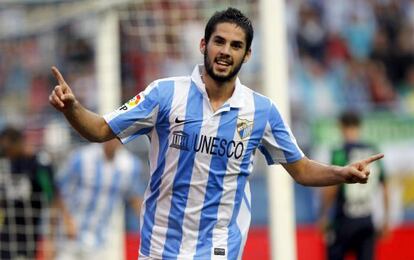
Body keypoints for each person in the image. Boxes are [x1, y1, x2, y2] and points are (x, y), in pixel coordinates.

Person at [49, 7, 384, 260]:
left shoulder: (261, 111)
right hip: (159, 248)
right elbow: (100, 130)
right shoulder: (165, 94)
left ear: (247, 54)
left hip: (218, 250)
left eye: (236, 45)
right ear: (203, 44)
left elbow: (300, 168)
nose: (226, 51)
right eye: (219, 41)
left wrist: (341, 173)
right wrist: (72, 108)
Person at [47, 139, 145, 260]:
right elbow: (59, 191)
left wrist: (147, 228)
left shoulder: (129, 165)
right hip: (71, 236)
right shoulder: (81, 158)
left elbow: (135, 199)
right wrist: (66, 221)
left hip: (103, 240)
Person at [318, 111, 389, 260]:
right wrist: (386, 219)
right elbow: (386, 186)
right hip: (367, 220)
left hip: (343, 221)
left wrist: (323, 215)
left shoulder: (340, 152)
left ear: (341, 127)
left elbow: (332, 187)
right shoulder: (372, 151)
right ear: (359, 127)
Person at [0, 126, 55, 259]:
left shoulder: (39, 164)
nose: (6, 153)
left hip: (30, 232)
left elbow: (51, 196)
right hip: (8, 231)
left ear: (18, 143)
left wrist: (50, 238)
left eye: (7, 148)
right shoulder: (9, 164)